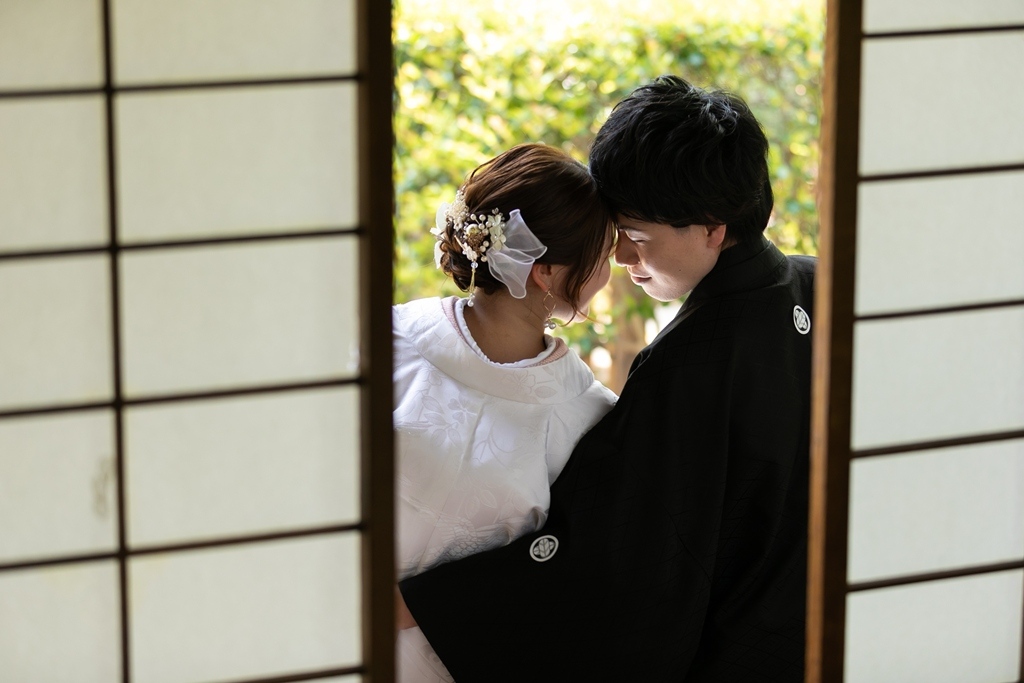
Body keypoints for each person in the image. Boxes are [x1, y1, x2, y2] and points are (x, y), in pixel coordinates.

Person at [398, 76, 816, 682]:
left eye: (637, 237)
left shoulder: (687, 366)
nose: (621, 257)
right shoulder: (822, 284)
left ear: (713, 228)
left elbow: (618, 567)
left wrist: (427, 604)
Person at [393, 143, 619, 682]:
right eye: (605, 255)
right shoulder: (392, 339)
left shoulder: (587, 414)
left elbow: (560, 573)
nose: (612, 271)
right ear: (546, 272)